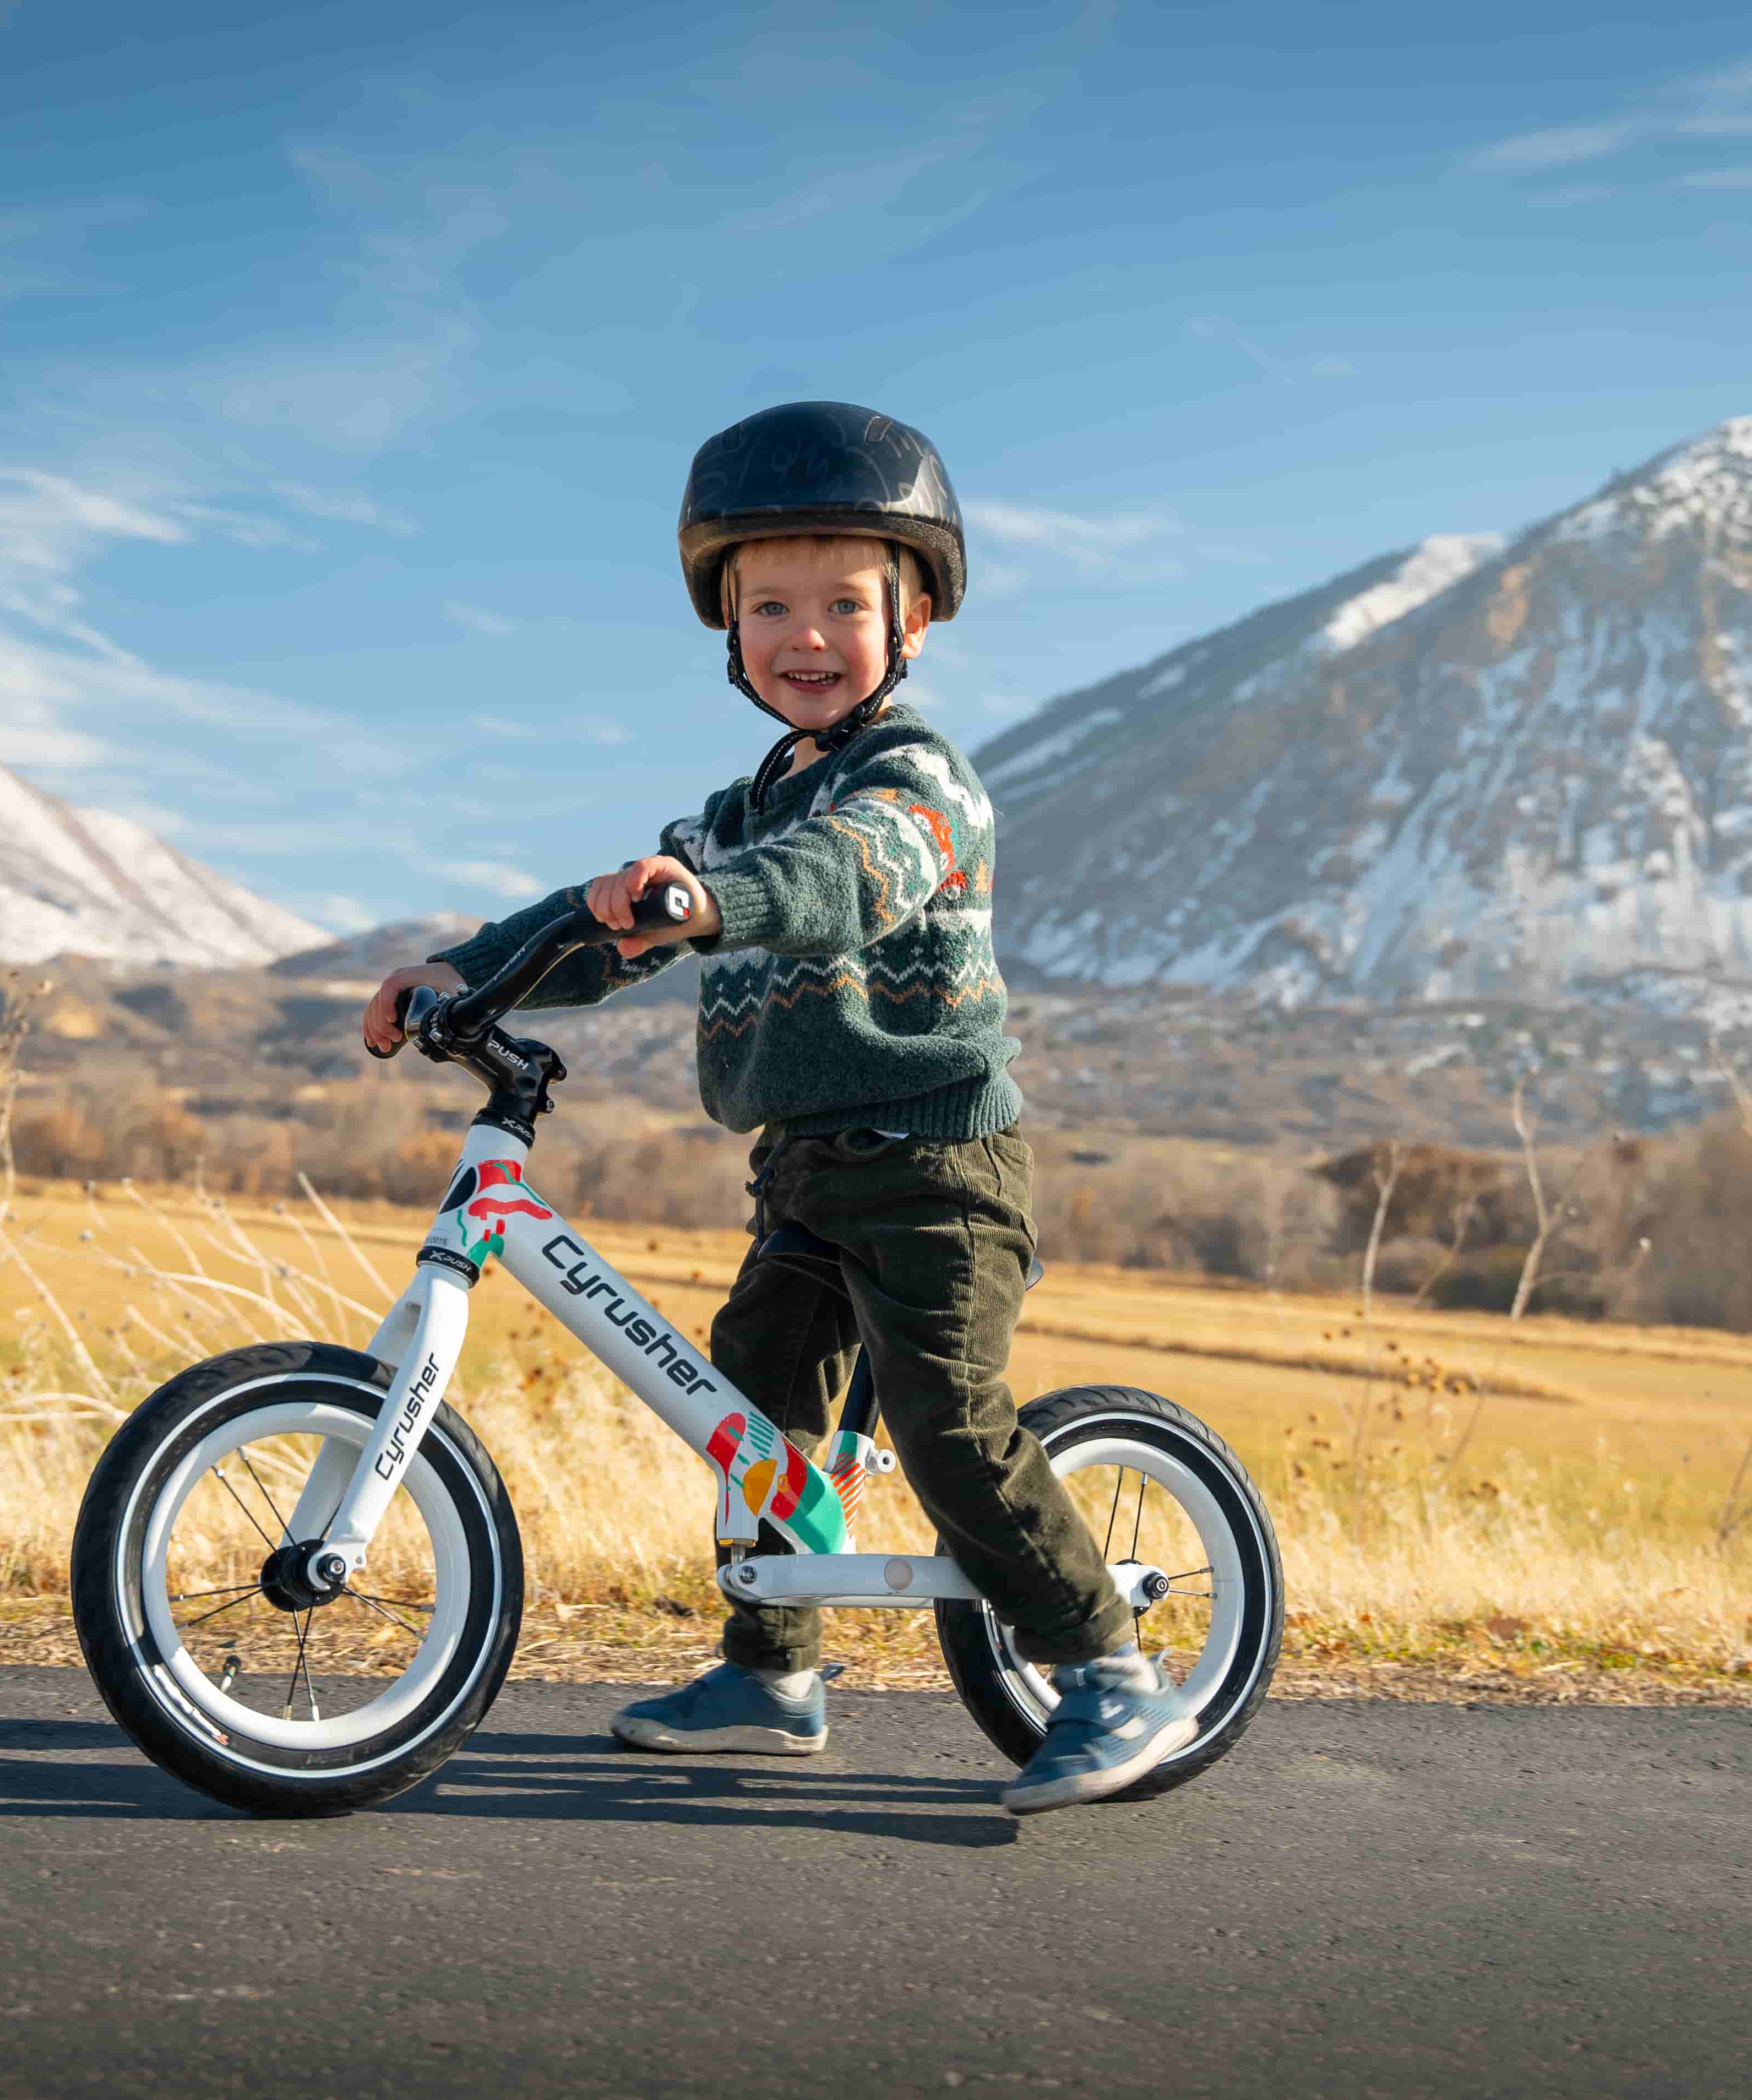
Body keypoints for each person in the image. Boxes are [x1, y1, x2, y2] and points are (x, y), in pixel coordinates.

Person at [361, 400, 1187, 1816]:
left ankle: (1108, 1669)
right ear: (727, 630)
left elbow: (840, 880)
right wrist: (465, 967)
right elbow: (602, 924)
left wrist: (708, 901)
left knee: (945, 1416)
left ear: (912, 619)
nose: (807, 635)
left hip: (937, 1169)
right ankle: (772, 1672)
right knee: (751, 1404)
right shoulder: (730, 816)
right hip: (804, 1169)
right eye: (770, 608)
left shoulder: (919, 782)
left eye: (845, 604)